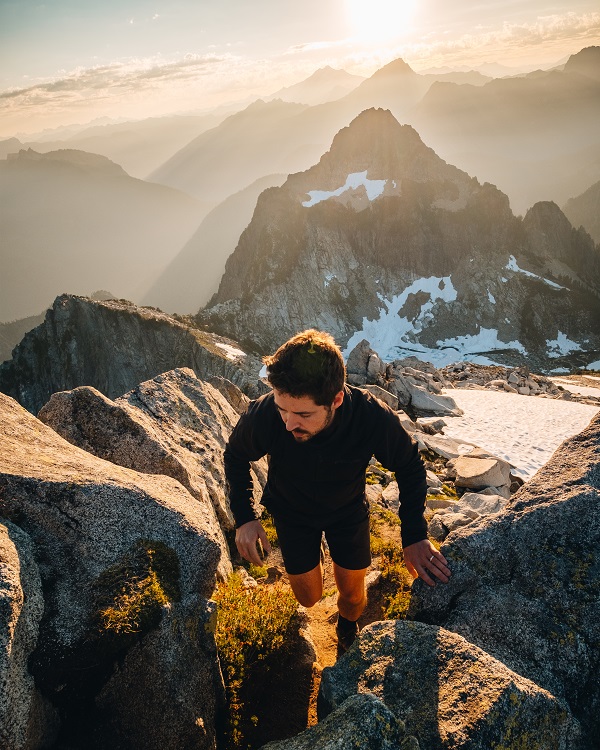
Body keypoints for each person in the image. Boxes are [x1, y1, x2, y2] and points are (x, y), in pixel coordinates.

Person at [224, 329, 450, 651]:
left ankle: (347, 629)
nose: (288, 424)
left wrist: (414, 534)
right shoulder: (265, 415)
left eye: (303, 414)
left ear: (337, 399)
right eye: (282, 409)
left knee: (353, 595)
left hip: (347, 512)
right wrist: (245, 518)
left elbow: (410, 465)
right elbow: (235, 455)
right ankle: (313, 555)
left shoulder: (369, 416)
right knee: (309, 597)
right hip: (292, 513)